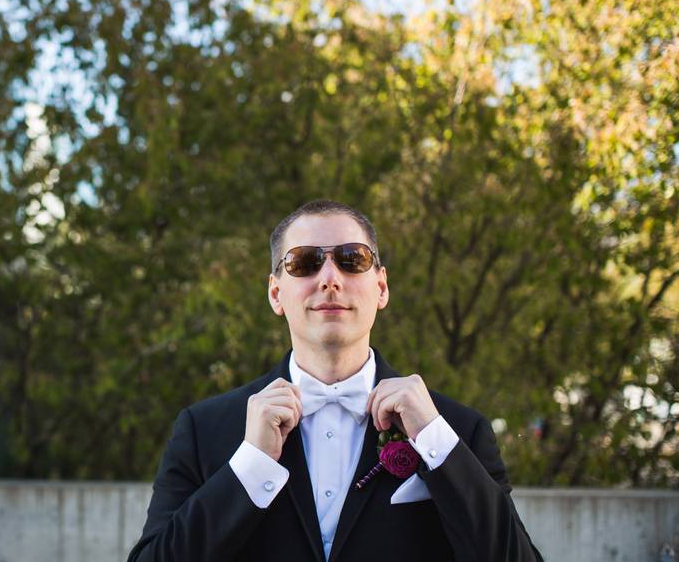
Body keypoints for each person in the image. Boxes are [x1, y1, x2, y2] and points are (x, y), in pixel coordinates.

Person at [128, 199, 543, 562]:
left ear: (380, 287)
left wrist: (435, 441)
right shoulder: (203, 431)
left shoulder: (458, 431)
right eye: (304, 262)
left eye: (352, 259)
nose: (330, 278)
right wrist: (250, 466)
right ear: (276, 294)